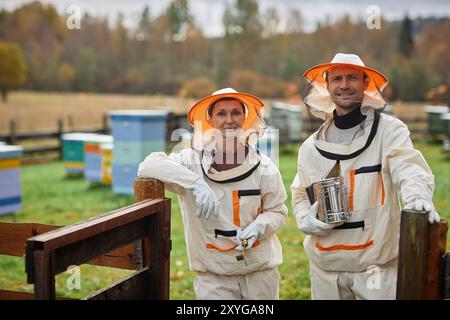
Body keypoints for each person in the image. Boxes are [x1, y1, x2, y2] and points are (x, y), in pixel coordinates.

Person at [291, 53, 440, 300]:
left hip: (376, 269)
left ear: (365, 83)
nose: (344, 85)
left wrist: (417, 195)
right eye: (337, 79)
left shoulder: (390, 131)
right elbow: (299, 192)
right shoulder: (309, 147)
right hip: (325, 269)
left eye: (352, 78)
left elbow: (408, 165)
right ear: (327, 86)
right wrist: (302, 217)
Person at [138, 88, 287, 300]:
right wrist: (196, 183)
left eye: (236, 113)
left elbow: (277, 211)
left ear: (245, 118)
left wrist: (258, 227)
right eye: (221, 113)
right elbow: (148, 165)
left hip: (260, 274)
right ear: (210, 119)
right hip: (214, 279)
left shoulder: (264, 167)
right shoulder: (191, 161)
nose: (229, 120)